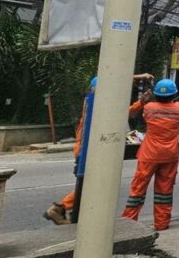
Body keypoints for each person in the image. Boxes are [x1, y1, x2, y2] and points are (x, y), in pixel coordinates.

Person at [43, 72, 154, 225]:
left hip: (86, 148)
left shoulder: (92, 101)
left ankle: (67, 211)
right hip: (88, 149)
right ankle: (60, 207)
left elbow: (122, 109)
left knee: (88, 183)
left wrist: (139, 94)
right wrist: (140, 93)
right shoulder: (99, 103)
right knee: (90, 184)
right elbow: (123, 111)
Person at [121, 78, 179, 231]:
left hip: (149, 154)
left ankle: (128, 222)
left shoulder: (149, 108)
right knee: (164, 192)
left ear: (156, 94)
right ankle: (161, 224)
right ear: (174, 94)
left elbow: (130, 113)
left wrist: (142, 101)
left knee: (138, 189)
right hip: (170, 155)